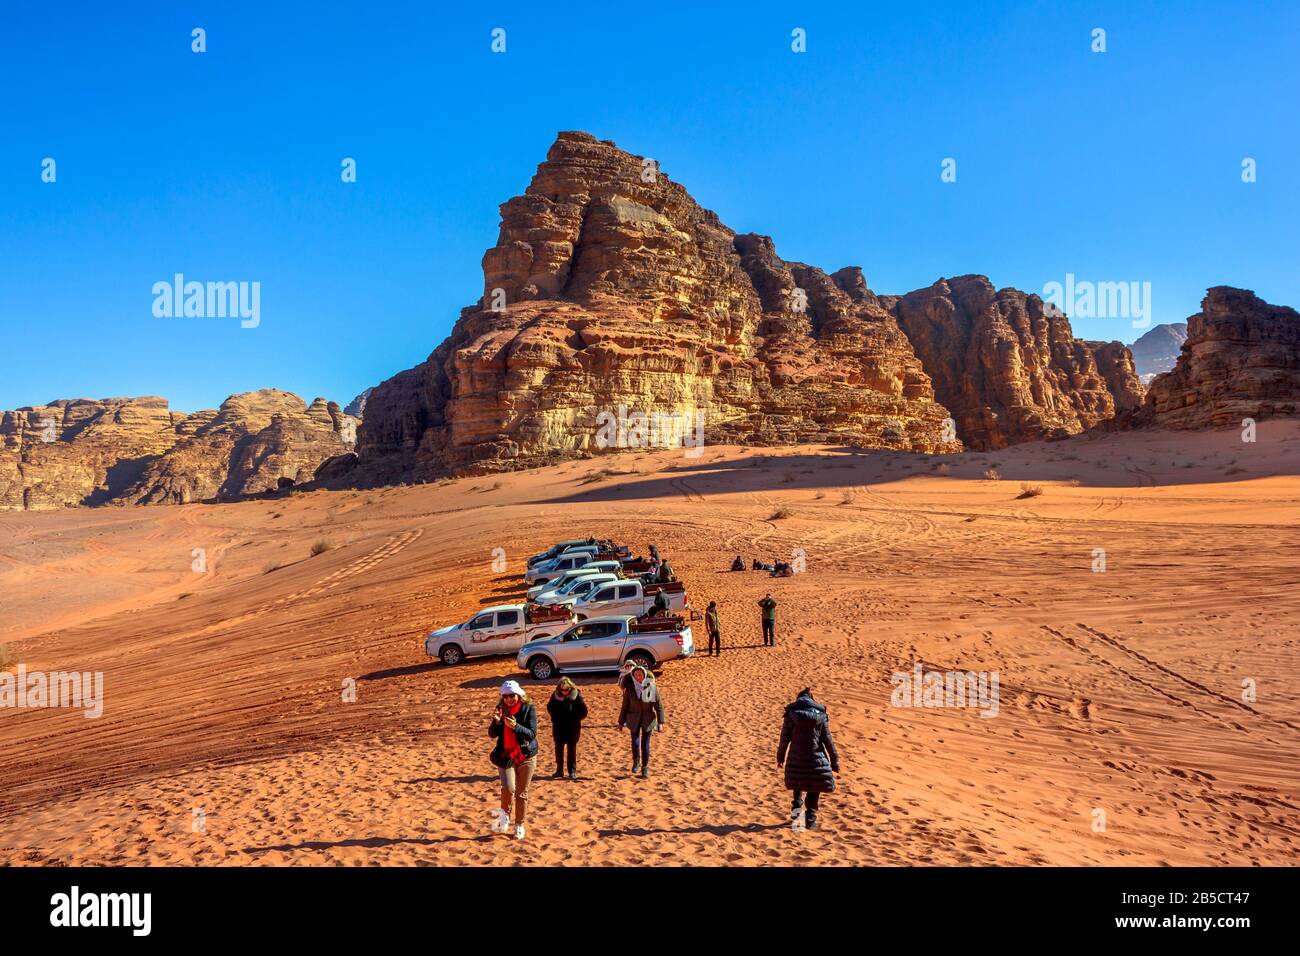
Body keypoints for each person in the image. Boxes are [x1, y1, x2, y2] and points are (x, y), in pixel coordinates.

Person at [777, 687, 840, 831]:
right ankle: (810, 818)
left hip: (796, 756)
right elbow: (828, 741)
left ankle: (796, 808)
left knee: (799, 778)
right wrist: (834, 760)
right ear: (812, 700)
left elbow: (784, 739)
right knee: (814, 784)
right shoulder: (821, 716)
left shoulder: (791, 714)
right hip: (815, 757)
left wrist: (780, 757)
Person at [487, 679, 538, 840]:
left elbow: (531, 734)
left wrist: (516, 727)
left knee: (521, 793)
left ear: (519, 695)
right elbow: (492, 734)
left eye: (512, 695)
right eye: (506, 696)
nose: (509, 699)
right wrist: (496, 722)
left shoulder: (528, 708)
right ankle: (505, 817)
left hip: (526, 755)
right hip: (506, 755)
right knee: (508, 789)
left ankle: (519, 825)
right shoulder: (500, 710)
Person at [618, 663, 665, 779]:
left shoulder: (651, 687)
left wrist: (660, 722)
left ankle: (645, 768)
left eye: (640, 675)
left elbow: (659, 705)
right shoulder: (629, 689)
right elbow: (624, 706)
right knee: (635, 742)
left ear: (644, 675)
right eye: (636, 675)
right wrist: (620, 722)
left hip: (648, 719)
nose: (638, 677)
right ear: (633, 676)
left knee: (645, 744)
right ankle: (636, 762)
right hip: (633, 718)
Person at [546, 677, 588, 780]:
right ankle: (559, 770)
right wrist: (555, 718)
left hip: (572, 728)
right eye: (562, 690)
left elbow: (584, 711)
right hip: (559, 727)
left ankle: (572, 771)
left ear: (570, 688)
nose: (564, 692)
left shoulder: (577, 696)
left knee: (571, 749)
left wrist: (575, 719)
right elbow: (550, 707)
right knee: (558, 749)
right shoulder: (555, 695)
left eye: (566, 690)